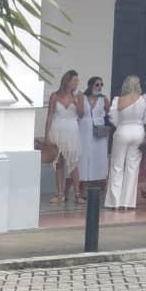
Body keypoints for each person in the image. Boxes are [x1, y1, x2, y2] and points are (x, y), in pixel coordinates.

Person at [104, 75, 146, 210]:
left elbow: (113, 118)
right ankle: (128, 203)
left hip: (123, 130)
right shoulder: (145, 99)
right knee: (133, 167)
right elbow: (145, 119)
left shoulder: (118, 100)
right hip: (138, 132)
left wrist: (122, 124)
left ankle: (114, 202)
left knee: (117, 166)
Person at [45, 70, 82, 204]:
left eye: (77, 80)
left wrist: (78, 102)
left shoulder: (77, 96)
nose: (76, 83)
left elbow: (81, 115)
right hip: (57, 130)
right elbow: (50, 115)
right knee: (59, 162)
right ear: (67, 81)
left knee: (73, 162)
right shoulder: (55, 96)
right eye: (74, 80)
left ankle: (77, 194)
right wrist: (46, 135)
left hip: (72, 131)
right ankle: (60, 194)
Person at [77, 75, 110, 198]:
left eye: (101, 85)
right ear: (91, 85)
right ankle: (83, 186)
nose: (99, 87)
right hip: (84, 129)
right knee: (84, 156)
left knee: (98, 156)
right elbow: (80, 113)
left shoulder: (103, 99)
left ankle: (100, 182)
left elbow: (109, 112)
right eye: (97, 84)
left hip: (98, 131)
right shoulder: (83, 97)